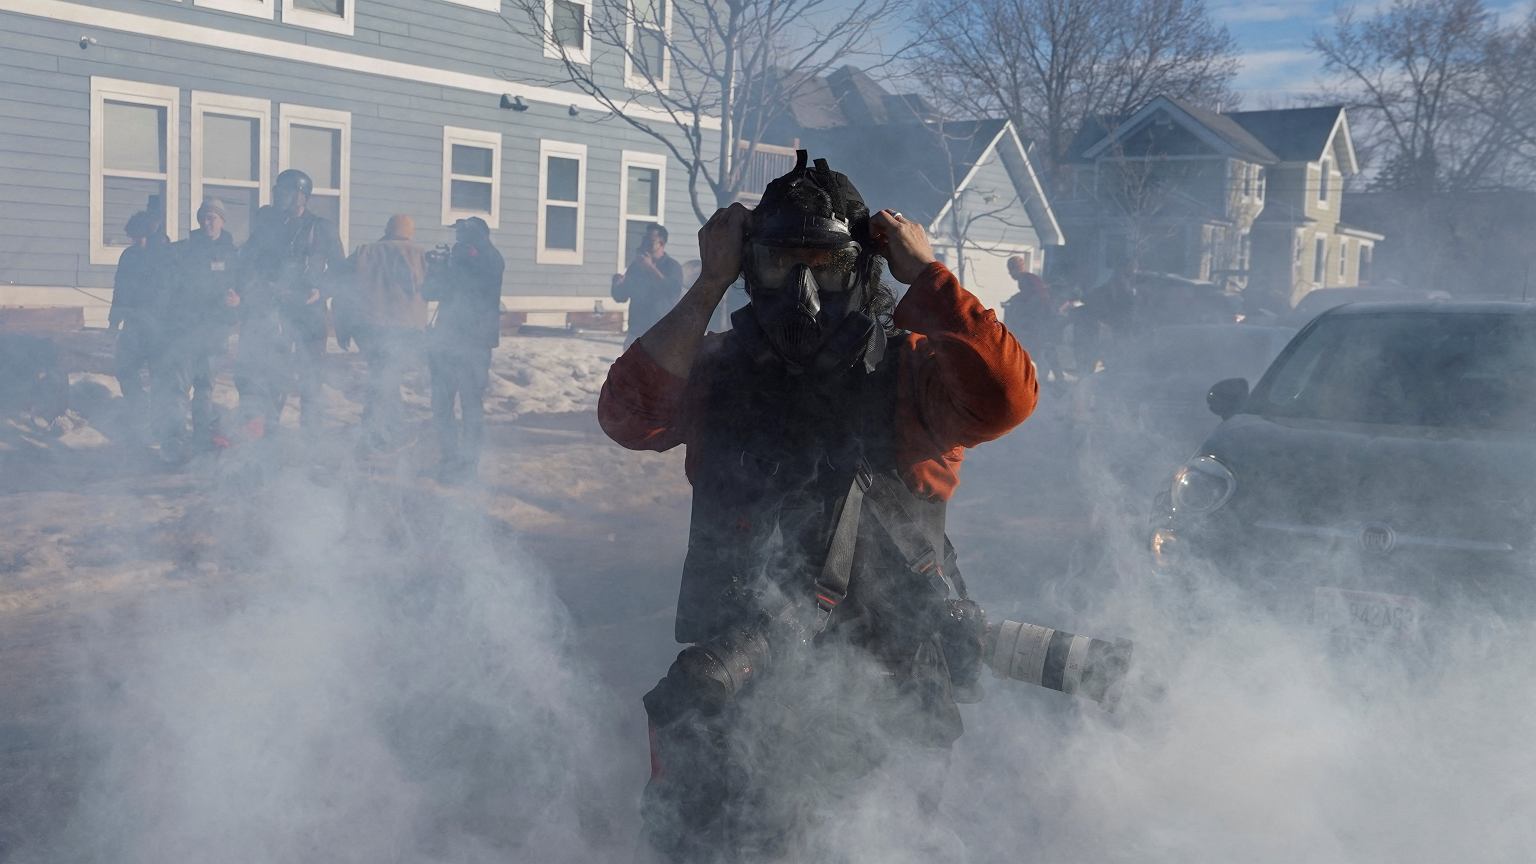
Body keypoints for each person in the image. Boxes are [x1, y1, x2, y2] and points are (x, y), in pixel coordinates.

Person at [598, 152, 1037, 863]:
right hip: (736, 689)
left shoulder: (915, 374)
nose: (802, 290)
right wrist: (709, 282)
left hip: (883, 694)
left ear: (863, 266)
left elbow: (1006, 398)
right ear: (750, 267)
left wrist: (928, 275)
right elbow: (626, 416)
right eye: (779, 265)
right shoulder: (716, 369)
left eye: (825, 265)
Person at [236, 168, 344, 437]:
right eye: (278, 190)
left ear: (301, 195)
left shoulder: (322, 228)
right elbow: (248, 261)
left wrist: (321, 290)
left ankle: (310, 439)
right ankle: (270, 436)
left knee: (311, 378)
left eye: (284, 190)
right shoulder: (269, 227)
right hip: (276, 312)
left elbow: (342, 270)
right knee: (275, 374)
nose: (278, 195)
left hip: (310, 312)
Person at [424, 216, 504, 483]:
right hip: (448, 341)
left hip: (473, 345)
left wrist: (448, 266)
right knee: (443, 405)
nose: (456, 238)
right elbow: (429, 292)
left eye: (461, 234)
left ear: (475, 236)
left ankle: (467, 466)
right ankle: (450, 461)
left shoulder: (488, 259)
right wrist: (436, 269)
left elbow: (468, 287)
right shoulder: (463, 258)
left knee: (469, 406)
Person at [166, 198, 242, 454]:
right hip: (186, 330)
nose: (208, 222)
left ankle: (201, 438)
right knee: (178, 388)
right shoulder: (185, 250)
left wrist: (237, 301)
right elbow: (171, 288)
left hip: (215, 331)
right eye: (204, 217)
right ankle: (176, 439)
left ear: (222, 220)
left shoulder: (233, 253)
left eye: (213, 217)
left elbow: (243, 289)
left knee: (205, 388)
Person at [348, 214, 428, 449]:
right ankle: (385, 433)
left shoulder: (364, 252)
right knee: (387, 380)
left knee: (381, 377)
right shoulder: (422, 255)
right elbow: (438, 289)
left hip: (370, 328)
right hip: (407, 331)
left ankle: (376, 429)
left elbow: (342, 283)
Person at [108, 208, 175, 446]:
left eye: (140, 236)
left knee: (161, 377)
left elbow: (170, 292)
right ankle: (138, 411)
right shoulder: (129, 256)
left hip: (160, 328)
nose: (136, 241)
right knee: (125, 369)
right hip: (133, 326)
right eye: (133, 237)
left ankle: (160, 425)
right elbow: (120, 289)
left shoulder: (167, 257)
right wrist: (113, 321)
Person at [611, 223, 685, 348]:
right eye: (644, 239)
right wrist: (616, 284)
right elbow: (621, 297)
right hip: (636, 333)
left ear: (661, 243)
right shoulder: (636, 266)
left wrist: (651, 268)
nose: (645, 243)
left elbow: (672, 290)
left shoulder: (672, 266)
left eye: (649, 240)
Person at [1001, 255, 1061, 382]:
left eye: (1011, 269)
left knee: (1040, 350)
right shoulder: (1027, 280)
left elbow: (1034, 298)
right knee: (1043, 349)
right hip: (1040, 322)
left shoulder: (1027, 279)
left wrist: (1016, 306)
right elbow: (1025, 296)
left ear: (1017, 269)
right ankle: (1055, 378)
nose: (1010, 273)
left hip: (1039, 323)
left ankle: (1051, 378)